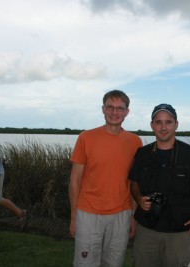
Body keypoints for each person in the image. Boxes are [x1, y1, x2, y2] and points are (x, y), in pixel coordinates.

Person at [129, 103, 190, 267]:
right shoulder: (142, 154)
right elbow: (133, 181)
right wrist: (138, 198)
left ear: (176, 124)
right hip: (147, 231)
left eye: (168, 122)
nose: (163, 127)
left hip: (180, 233)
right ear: (152, 125)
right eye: (158, 122)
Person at [69, 90, 143, 267]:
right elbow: (75, 180)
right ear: (103, 109)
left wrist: (133, 215)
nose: (114, 112)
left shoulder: (135, 142)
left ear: (127, 112)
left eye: (120, 108)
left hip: (121, 215)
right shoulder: (86, 137)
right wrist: (74, 216)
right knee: (85, 264)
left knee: (114, 263)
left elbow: (135, 183)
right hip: (88, 214)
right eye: (110, 107)